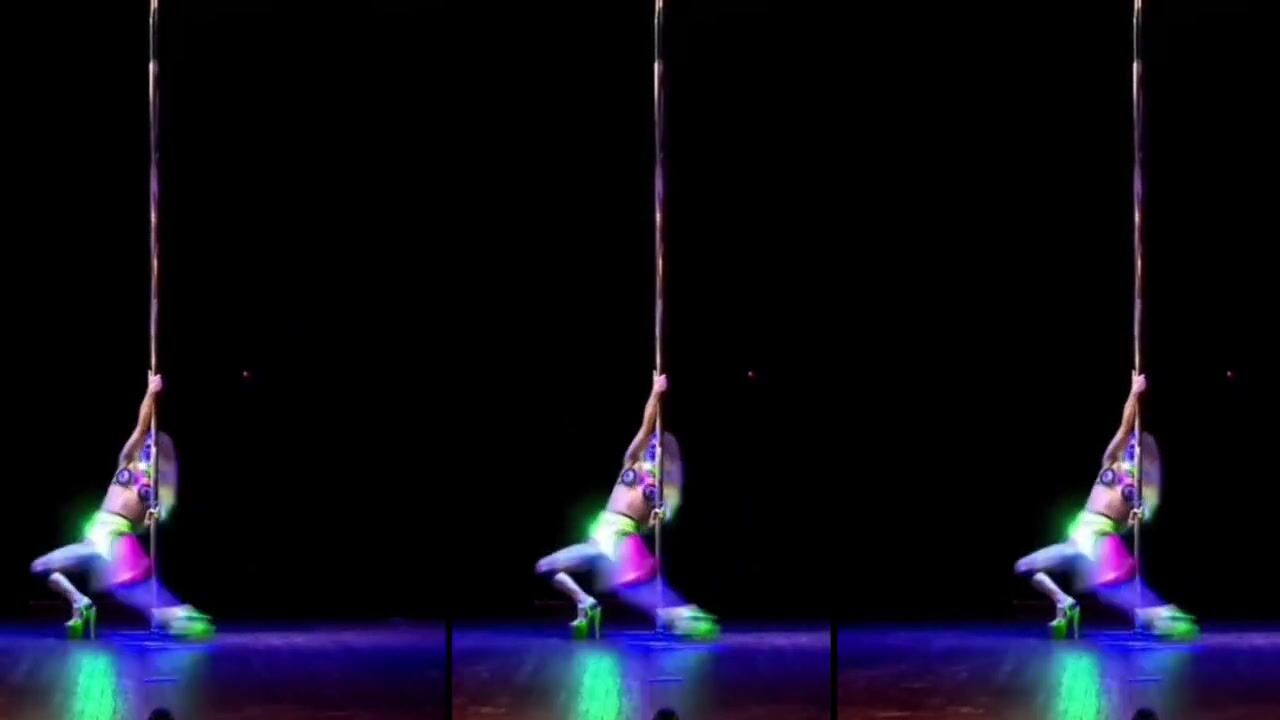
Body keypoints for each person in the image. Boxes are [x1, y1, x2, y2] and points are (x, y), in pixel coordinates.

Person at [1014, 373, 1196, 639]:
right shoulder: (1110, 462)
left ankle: (1166, 615)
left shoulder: (1138, 490)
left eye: (1138, 448)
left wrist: (1137, 516)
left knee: (1113, 592)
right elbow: (1125, 426)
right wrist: (1134, 393)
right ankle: (1065, 602)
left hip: (1100, 539)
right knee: (1024, 567)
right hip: (1077, 539)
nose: (1132, 447)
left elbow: (1141, 517)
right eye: (1131, 444)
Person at [30, 373, 212, 639]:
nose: (148, 446)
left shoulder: (154, 491)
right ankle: (81, 602)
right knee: (41, 567)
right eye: (147, 444)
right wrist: (150, 393)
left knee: (132, 593)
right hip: (94, 538)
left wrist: (154, 516)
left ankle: (182, 615)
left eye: (154, 447)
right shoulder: (126, 462)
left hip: (116, 539)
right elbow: (141, 427)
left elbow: (153, 519)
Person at [535, 374, 717, 639]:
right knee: (546, 567)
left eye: (658, 447)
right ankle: (587, 602)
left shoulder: (659, 490)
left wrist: (659, 516)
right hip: (600, 537)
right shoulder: (631, 462)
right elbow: (646, 426)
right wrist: (655, 393)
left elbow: (655, 521)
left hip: (622, 537)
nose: (652, 446)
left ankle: (687, 615)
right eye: (651, 444)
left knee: (637, 591)